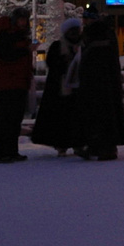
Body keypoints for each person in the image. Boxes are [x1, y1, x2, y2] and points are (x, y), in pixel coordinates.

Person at [74, 6, 124, 160]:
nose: (83, 21)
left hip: (95, 81)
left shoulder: (94, 34)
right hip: (106, 81)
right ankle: (105, 146)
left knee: (97, 114)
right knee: (107, 113)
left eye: (86, 18)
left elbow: (90, 57)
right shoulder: (106, 32)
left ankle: (98, 146)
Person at [30, 17, 82, 156]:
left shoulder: (82, 46)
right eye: (72, 32)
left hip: (78, 86)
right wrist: (64, 64)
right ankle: (61, 144)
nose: (74, 35)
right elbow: (52, 64)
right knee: (61, 117)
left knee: (77, 116)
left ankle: (78, 143)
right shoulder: (58, 46)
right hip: (60, 87)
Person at [0, 8, 36, 163]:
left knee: (15, 119)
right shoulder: (6, 36)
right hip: (9, 82)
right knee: (6, 119)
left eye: (25, 19)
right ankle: (2, 153)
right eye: (21, 19)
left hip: (19, 81)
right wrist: (26, 51)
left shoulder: (19, 36)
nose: (23, 22)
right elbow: (6, 56)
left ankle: (11, 151)